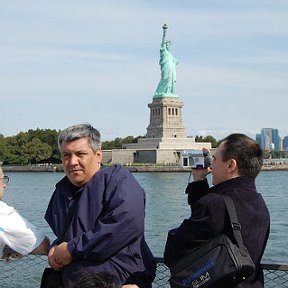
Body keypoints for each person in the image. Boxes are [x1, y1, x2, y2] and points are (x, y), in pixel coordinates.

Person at [43, 123, 156, 288]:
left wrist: (72, 250)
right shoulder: (62, 191)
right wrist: (56, 249)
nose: (72, 162)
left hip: (119, 281)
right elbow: (68, 234)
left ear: (98, 155)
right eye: (66, 155)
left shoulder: (118, 180)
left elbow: (125, 224)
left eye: (80, 154)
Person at [164, 133, 270, 287]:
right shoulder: (260, 204)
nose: (211, 166)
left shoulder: (214, 205)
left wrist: (174, 233)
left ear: (230, 165)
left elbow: (173, 253)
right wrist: (200, 181)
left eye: (214, 159)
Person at [0, 165, 50, 260]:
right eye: (2, 179)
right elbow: (41, 245)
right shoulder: (3, 214)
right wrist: (17, 246)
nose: (4, 185)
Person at [154, 23, 179, 97]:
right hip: (166, 68)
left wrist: (175, 62)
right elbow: (163, 41)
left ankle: (169, 91)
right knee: (164, 78)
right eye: (166, 44)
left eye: (169, 44)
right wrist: (164, 32)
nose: (168, 45)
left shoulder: (170, 55)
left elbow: (174, 62)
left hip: (171, 69)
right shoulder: (163, 51)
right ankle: (160, 91)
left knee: (171, 81)